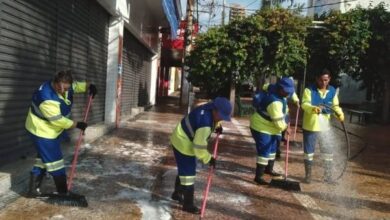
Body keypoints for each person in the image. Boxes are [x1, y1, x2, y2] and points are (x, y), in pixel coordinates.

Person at [26, 70, 97, 198]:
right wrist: (77, 124)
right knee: (55, 162)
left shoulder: (65, 86)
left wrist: (89, 86)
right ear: (56, 83)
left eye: (66, 88)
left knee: (43, 159)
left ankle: (32, 190)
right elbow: (57, 120)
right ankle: (63, 192)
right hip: (42, 131)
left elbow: (75, 86)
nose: (64, 91)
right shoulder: (46, 97)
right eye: (60, 88)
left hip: (51, 130)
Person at [170, 97, 232, 214]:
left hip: (182, 137)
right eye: (221, 116)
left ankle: (177, 193)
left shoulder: (208, 108)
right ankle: (188, 205)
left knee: (185, 169)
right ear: (215, 110)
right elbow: (199, 147)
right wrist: (209, 159)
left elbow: (214, 119)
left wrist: (217, 125)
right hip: (183, 143)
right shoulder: (205, 124)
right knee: (188, 175)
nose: (221, 118)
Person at [301, 68, 344, 184]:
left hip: (325, 127)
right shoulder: (309, 90)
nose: (323, 83)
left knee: (328, 152)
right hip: (311, 126)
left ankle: (328, 176)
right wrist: (312, 108)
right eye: (321, 80)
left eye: (325, 80)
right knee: (309, 152)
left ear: (329, 79)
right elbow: (304, 104)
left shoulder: (332, 91)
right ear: (317, 79)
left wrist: (339, 113)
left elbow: (335, 106)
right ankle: (308, 176)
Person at [250, 77, 295, 185]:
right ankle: (258, 177)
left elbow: (284, 109)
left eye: (290, 91)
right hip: (261, 127)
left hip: (272, 127)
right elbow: (279, 123)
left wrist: (287, 117)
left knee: (273, 148)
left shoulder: (277, 91)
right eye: (286, 91)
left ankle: (268, 169)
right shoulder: (274, 102)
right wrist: (286, 128)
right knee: (264, 150)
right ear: (280, 89)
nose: (288, 94)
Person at [262, 81, 300, 159]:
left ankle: (276, 151)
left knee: (278, 134)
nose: (288, 93)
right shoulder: (272, 90)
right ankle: (276, 151)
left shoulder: (289, 90)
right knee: (278, 133)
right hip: (276, 110)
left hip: (283, 111)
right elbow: (264, 87)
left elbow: (293, 93)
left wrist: (296, 101)